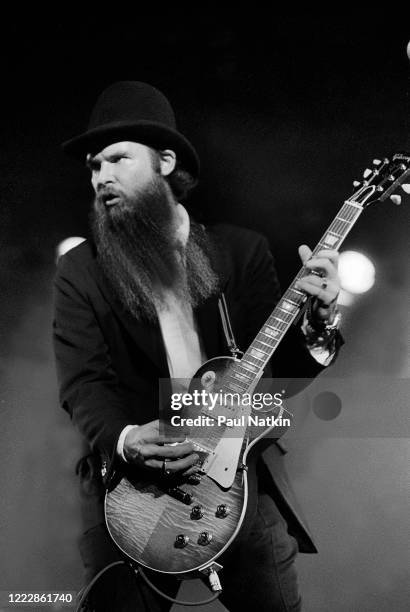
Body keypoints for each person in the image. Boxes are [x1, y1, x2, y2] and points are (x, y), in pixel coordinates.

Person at [53, 81, 343, 611]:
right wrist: (124, 437)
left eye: (117, 159)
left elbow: (273, 374)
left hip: (237, 486)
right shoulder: (81, 271)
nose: (101, 177)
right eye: (94, 166)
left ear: (165, 162)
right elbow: (83, 381)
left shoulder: (240, 251)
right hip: (130, 492)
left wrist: (317, 326)